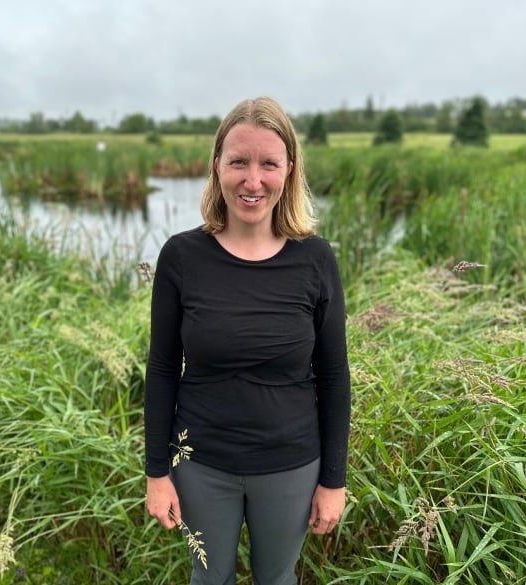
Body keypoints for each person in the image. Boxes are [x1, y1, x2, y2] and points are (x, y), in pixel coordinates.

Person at [144, 96, 350, 585]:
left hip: (292, 465)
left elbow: (335, 375)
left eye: (268, 164)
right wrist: (156, 473)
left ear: (289, 169)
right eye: (238, 162)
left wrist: (333, 481)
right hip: (198, 464)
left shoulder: (316, 260)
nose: (252, 180)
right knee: (208, 577)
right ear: (217, 166)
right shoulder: (181, 257)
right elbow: (162, 369)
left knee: (276, 579)